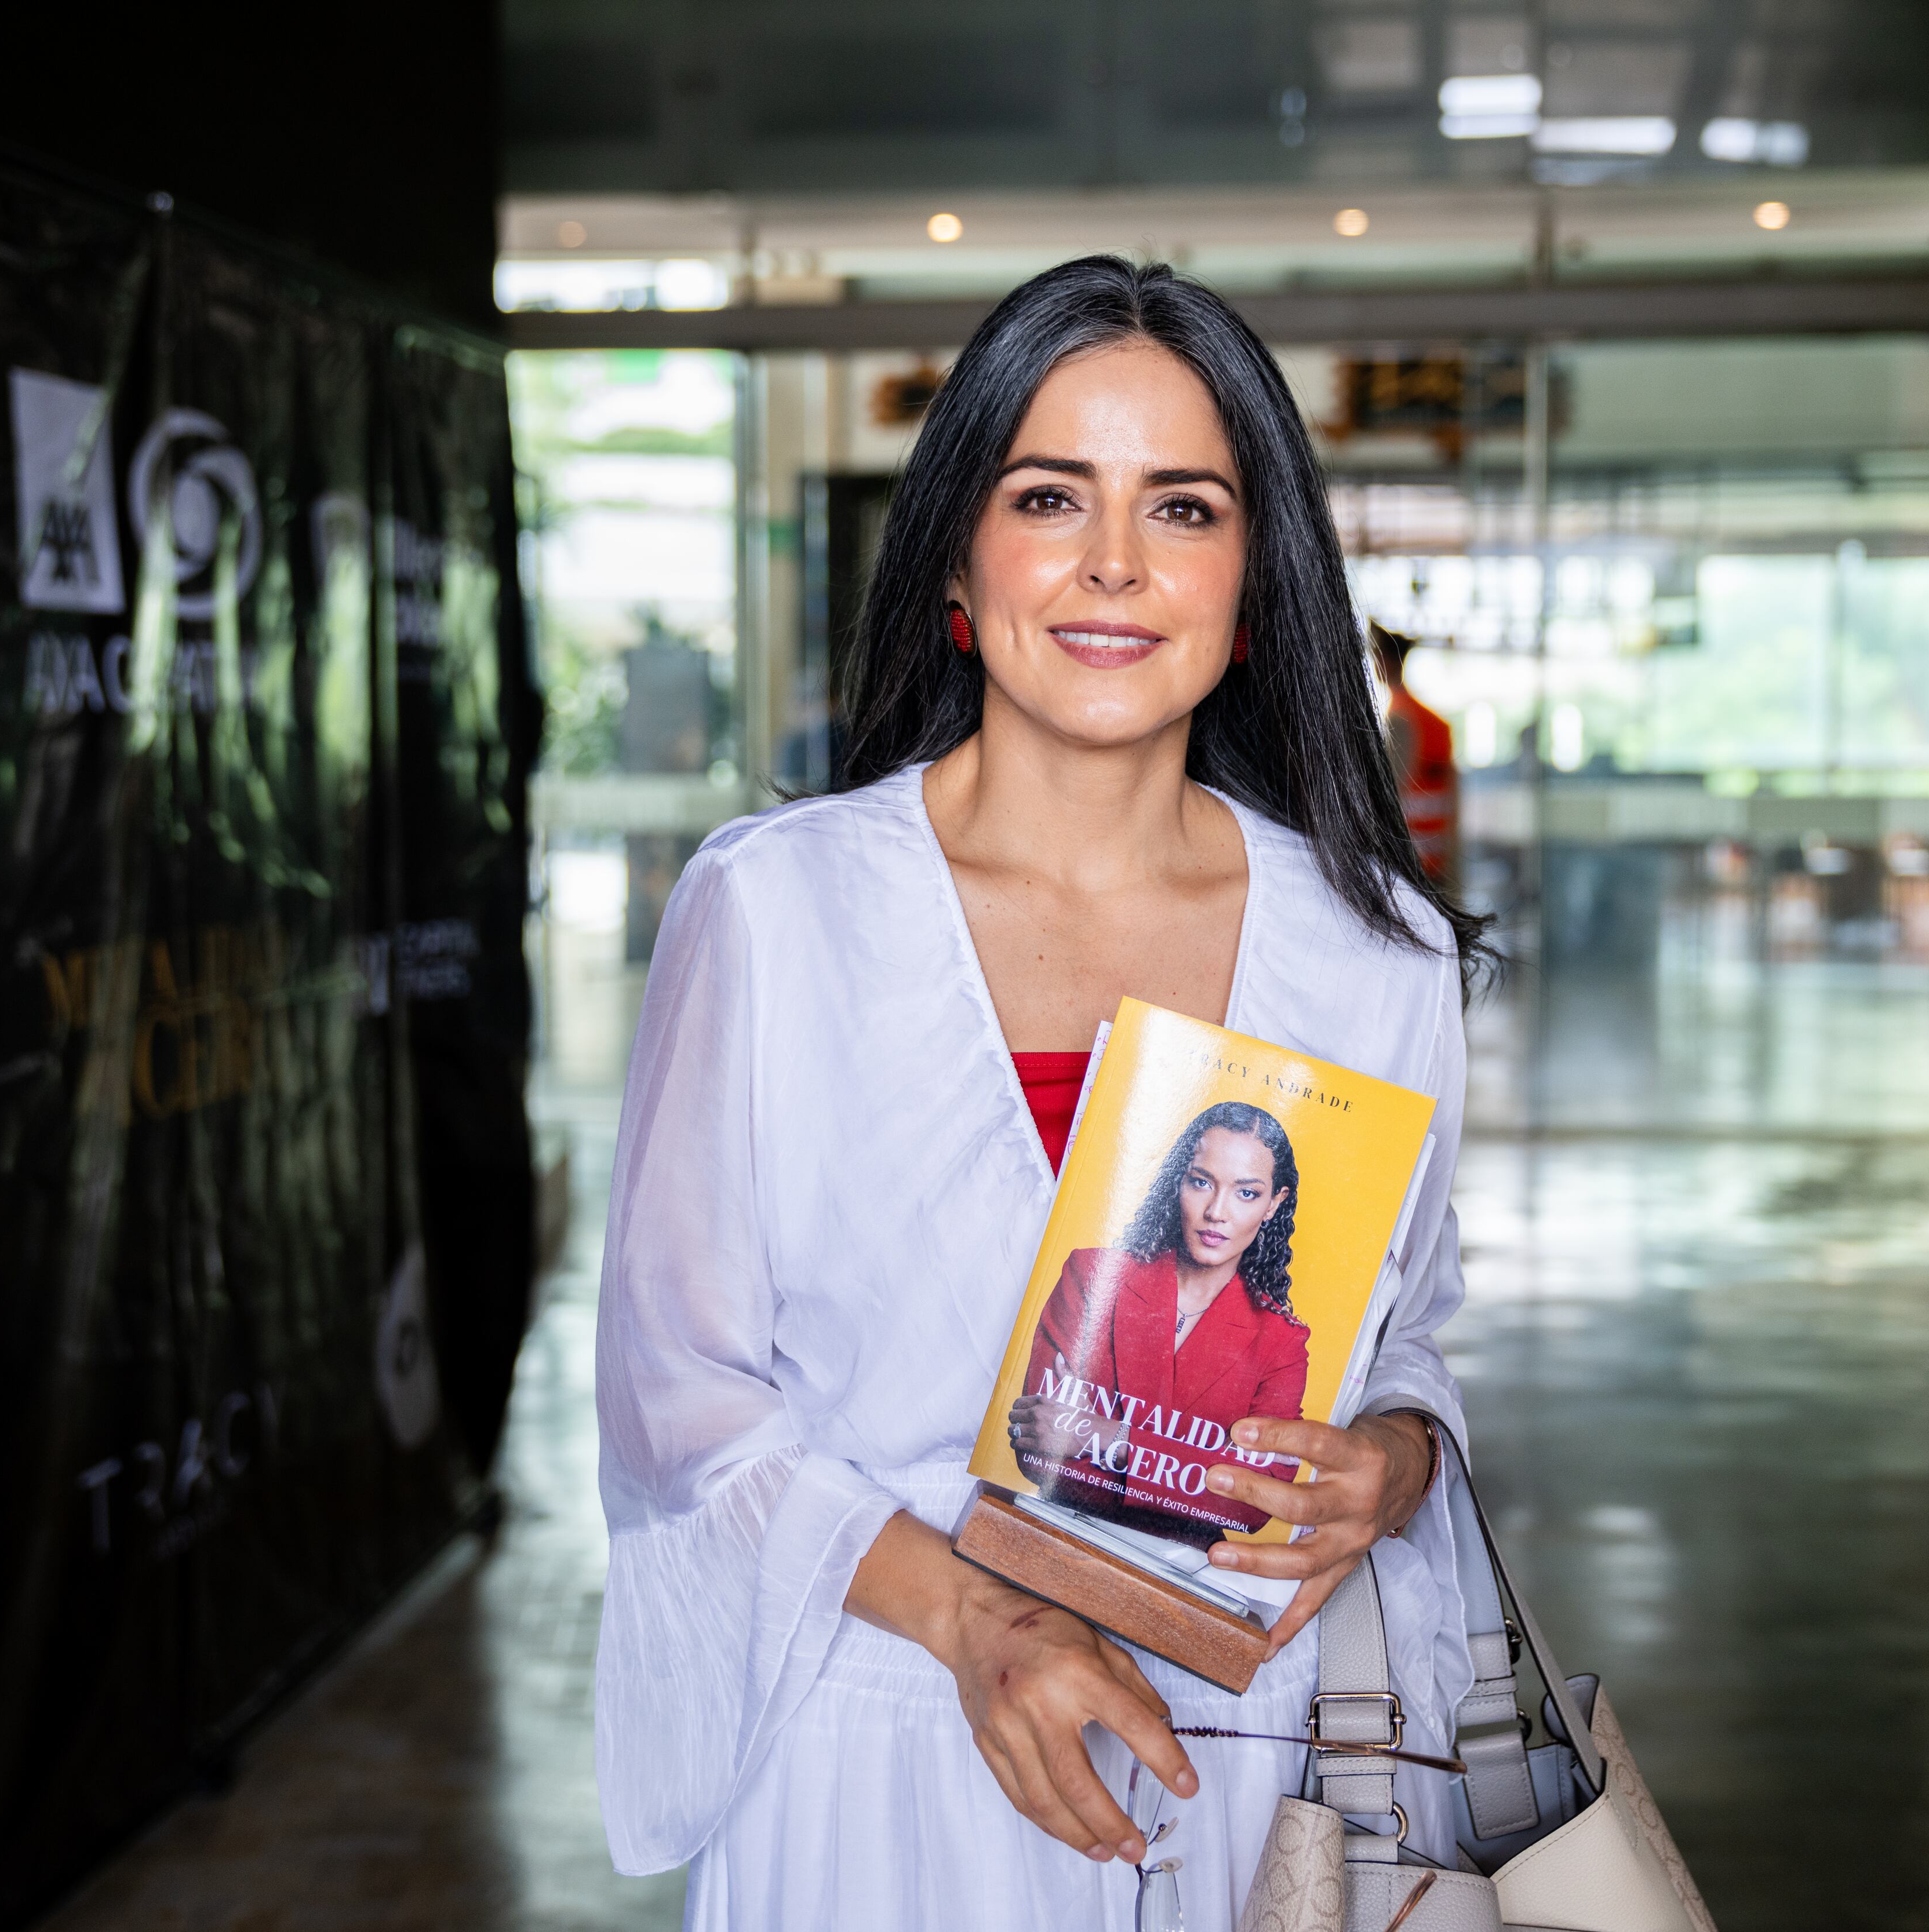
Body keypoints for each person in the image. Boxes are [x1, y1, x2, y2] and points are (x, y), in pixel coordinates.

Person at [592, 255, 1493, 1931]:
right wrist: (976, 1619)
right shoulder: (777, 913)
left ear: (1254, 577)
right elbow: (679, 1399)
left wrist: (1393, 1455)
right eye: (1049, 493)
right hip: (877, 1750)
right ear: (957, 550)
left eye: (1185, 508)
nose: (1113, 564)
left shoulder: (1377, 956)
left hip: (1248, 1768)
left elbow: (1415, 1327)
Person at [1007, 1101, 1310, 1541]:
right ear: (1178, 1181)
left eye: (1246, 1193)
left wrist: (1110, 1435)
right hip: (1057, 1535)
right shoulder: (1093, 1276)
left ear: (1273, 1203)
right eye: (1202, 1182)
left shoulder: (1282, 1341)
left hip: (1185, 1575)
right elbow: (1037, 1446)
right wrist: (1200, 1469)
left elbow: (1257, 1502)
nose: (1217, 1212)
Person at [1372, 621, 1457, 882]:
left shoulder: (1399, 720)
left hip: (1409, 862)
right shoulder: (1436, 724)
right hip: (1437, 858)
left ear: (1385, 661)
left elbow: (1391, 795)